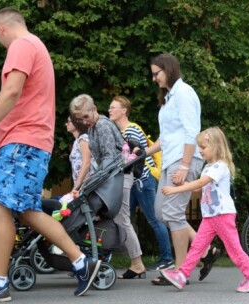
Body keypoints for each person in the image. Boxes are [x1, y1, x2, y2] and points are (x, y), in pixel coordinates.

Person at [0, 8, 100, 303]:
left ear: (0, 28)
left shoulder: (21, 45)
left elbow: (11, 91)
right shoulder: (37, 46)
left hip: (23, 142)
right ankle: (80, 262)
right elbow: (25, 100)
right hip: (31, 141)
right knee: (26, 210)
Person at [160, 127, 249, 293]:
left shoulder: (220, 166)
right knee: (197, 247)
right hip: (210, 216)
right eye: (199, 147)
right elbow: (202, 187)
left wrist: (174, 190)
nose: (200, 151)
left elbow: (201, 183)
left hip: (222, 215)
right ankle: (182, 276)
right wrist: (186, 186)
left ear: (216, 146)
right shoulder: (209, 167)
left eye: (203, 147)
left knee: (234, 249)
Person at [148, 54, 219, 285]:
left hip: (183, 159)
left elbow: (191, 132)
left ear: (168, 70)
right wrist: (143, 153)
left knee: (173, 213)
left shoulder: (184, 93)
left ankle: (180, 270)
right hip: (171, 159)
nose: (153, 78)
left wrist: (185, 166)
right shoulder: (169, 98)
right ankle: (206, 250)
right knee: (161, 212)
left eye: (156, 73)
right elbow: (166, 136)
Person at [70, 94, 146, 279]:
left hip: (119, 177)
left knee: (122, 220)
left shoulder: (102, 126)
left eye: (86, 117)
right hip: (115, 177)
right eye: (79, 119)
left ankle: (137, 264)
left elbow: (109, 159)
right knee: (118, 219)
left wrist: (90, 182)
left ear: (94, 109)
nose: (83, 122)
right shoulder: (95, 127)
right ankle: (129, 262)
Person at [108, 96, 174, 272]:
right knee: (122, 220)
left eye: (113, 107)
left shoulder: (131, 130)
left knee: (154, 219)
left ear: (124, 111)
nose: (109, 110)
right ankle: (129, 260)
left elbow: (137, 157)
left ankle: (167, 258)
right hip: (133, 182)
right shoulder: (123, 132)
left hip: (142, 181)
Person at [66, 115, 95, 194]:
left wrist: (76, 187)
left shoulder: (83, 138)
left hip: (87, 184)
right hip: (82, 185)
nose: (66, 124)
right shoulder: (77, 140)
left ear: (76, 123)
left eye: (68, 121)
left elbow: (86, 163)